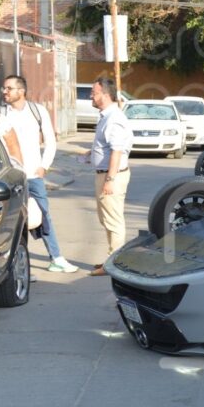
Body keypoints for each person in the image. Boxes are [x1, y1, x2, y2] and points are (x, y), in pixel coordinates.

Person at [0, 75, 79, 273]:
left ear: (21, 91)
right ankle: (19, 266)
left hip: (33, 174)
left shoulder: (37, 111)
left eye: (9, 88)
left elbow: (50, 141)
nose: (4, 91)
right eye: (4, 88)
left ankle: (56, 257)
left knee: (43, 215)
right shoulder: (1, 114)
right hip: (11, 177)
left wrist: (44, 166)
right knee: (14, 220)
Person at [88, 76, 133, 276]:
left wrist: (110, 179)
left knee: (113, 220)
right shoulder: (107, 116)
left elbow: (117, 151)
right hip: (105, 174)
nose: (91, 96)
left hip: (111, 176)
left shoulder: (114, 119)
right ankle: (111, 259)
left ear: (105, 95)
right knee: (107, 219)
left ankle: (115, 264)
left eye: (94, 93)